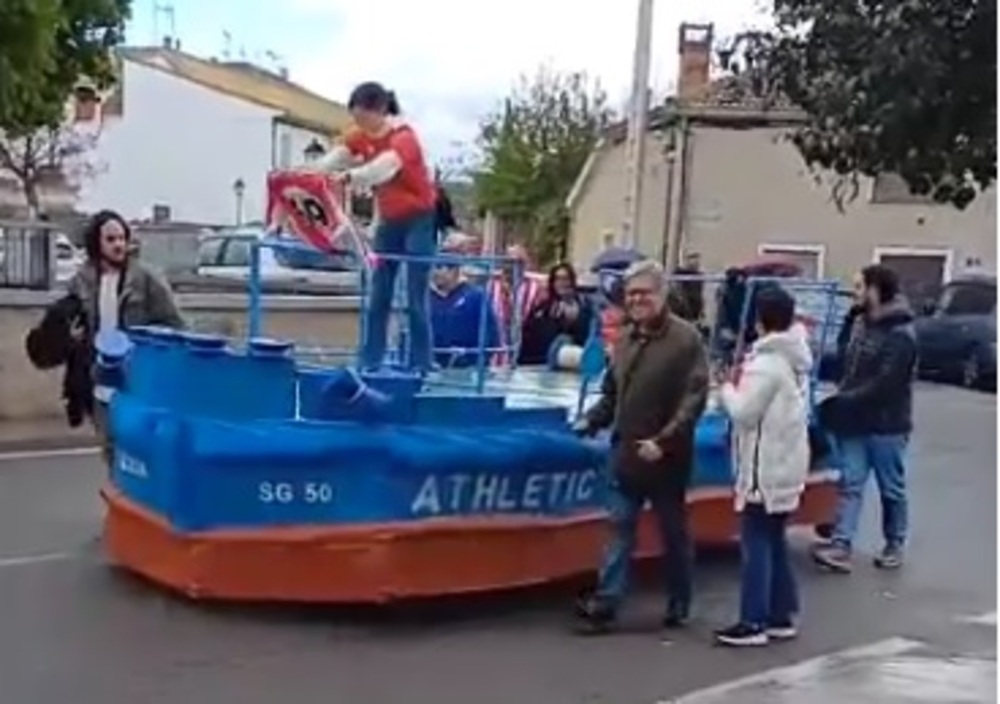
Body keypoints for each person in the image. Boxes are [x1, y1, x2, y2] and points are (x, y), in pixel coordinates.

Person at [573, 259, 710, 634]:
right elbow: (613, 393)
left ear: (662, 294)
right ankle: (606, 602)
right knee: (619, 528)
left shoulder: (686, 340)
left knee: (673, 535)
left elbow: (694, 399)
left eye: (643, 293)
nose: (636, 300)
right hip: (626, 455)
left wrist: (665, 440)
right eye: (631, 294)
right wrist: (593, 419)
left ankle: (680, 602)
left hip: (667, 459)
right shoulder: (625, 339)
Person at [312, 81, 437, 372]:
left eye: (363, 117)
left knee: (416, 296)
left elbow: (384, 168)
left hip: (419, 218)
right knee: (379, 292)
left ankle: (422, 362)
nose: (359, 124)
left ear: (379, 111)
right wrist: (308, 174)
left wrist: (350, 178)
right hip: (391, 220)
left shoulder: (403, 137)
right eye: (355, 118)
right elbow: (334, 158)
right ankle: (370, 360)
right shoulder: (360, 135)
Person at [42, 211, 183, 464]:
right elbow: (70, 324)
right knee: (111, 451)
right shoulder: (82, 282)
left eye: (121, 238)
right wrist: (72, 338)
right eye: (110, 239)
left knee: (138, 453)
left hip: (137, 382)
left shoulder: (147, 279)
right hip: (99, 383)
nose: (118, 244)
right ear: (96, 243)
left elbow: (175, 326)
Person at [714, 286, 812, 647]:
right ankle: (781, 615)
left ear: (758, 320)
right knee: (773, 539)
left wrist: (724, 389)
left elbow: (744, 413)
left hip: (763, 469)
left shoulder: (765, 365)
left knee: (756, 543)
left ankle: (752, 620)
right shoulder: (793, 359)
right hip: (785, 465)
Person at [812, 264, 917, 572]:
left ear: (875, 290)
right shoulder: (859, 323)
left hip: (887, 424)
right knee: (851, 483)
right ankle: (841, 546)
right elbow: (844, 360)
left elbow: (887, 383)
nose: (854, 293)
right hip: (854, 421)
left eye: (859, 288)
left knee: (891, 487)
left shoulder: (901, 334)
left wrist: (843, 399)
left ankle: (894, 543)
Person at [429, 257, 499, 369]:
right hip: (433, 367)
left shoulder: (476, 296)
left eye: (439, 268)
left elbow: (490, 336)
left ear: (454, 270)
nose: (434, 273)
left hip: (467, 369)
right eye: (432, 268)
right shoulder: (427, 298)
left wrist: (474, 360)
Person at [518, 262, 594, 365]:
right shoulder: (542, 310)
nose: (562, 283)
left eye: (565, 279)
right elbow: (530, 341)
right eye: (557, 279)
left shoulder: (585, 306)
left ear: (572, 281)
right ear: (552, 282)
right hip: (543, 367)